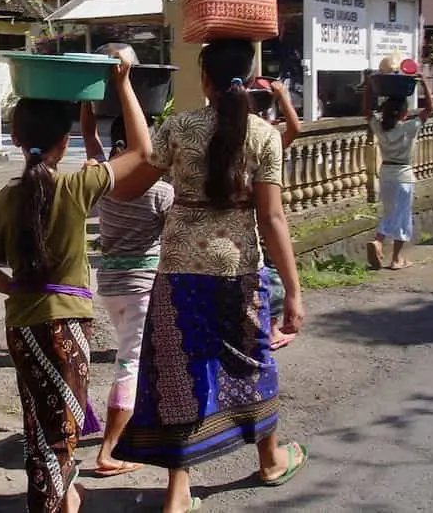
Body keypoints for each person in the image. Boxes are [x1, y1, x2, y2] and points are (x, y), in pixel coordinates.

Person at [109, 39, 308, 513]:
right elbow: (273, 218)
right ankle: (270, 460)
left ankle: (178, 493)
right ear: (249, 73)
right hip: (238, 270)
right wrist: (295, 293)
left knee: (182, 372)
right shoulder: (264, 135)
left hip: (179, 271)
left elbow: (129, 188)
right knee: (254, 360)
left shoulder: (178, 128)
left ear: (204, 80)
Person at [0, 46, 153, 513]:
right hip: (66, 326)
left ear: (13, 136)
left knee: (38, 425)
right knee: (63, 433)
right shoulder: (76, 187)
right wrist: (123, 83)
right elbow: (144, 153)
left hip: (21, 327)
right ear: (63, 141)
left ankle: (63, 497)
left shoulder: (2, 199)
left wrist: (17, 288)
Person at [79, 104, 175, 477]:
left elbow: (88, 135)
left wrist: (89, 100)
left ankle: (141, 424)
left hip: (110, 286)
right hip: (142, 287)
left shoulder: (103, 179)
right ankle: (108, 450)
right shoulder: (160, 192)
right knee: (130, 364)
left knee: (137, 357)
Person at [249, 79, 301, 351]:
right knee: (271, 272)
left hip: (252, 214)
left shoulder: (247, 134)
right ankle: (270, 329)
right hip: (265, 213)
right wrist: (283, 97)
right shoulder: (266, 136)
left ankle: (268, 327)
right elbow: (295, 129)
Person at [363, 75, 433, 271]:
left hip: (386, 174)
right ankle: (397, 259)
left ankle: (378, 241)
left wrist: (369, 86)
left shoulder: (381, 128)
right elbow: (429, 108)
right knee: (402, 216)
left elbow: (366, 112)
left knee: (389, 213)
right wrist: (424, 83)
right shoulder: (410, 128)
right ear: (404, 113)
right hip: (404, 175)